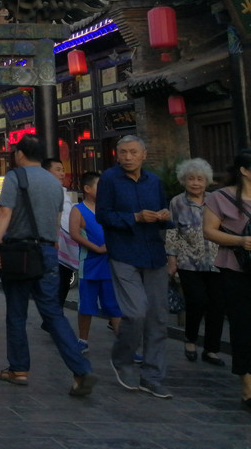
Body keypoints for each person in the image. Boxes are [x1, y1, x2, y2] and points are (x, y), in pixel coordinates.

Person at [0, 134, 96, 397]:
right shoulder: (54, 183)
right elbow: (58, 217)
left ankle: (19, 369)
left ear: (20, 154)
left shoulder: (15, 177)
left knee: (16, 311)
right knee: (52, 312)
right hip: (47, 251)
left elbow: (5, 212)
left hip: (18, 251)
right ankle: (80, 369)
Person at [95, 135, 173, 398]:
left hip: (154, 253)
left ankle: (152, 375)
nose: (128, 157)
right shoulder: (109, 179)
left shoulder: (155, 182)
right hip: (124, 253)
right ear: (117, 155)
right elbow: (102, 215)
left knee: (158, 318)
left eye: (133, 152)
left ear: (144, 155)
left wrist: (163, 216)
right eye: (123, 152)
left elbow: (165, 216)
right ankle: (123, 359)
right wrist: (134, 218)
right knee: (136, 312)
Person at [203, 149, 251, 414]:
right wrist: (241, 241)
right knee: (244, 327)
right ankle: (247, 388)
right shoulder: (221, 197)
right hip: (236, 271)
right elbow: (209, 231)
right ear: (244, 170)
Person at [166, 158, 225, 365]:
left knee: (217, 306)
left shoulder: (216, 200)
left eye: (200, 179)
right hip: (188, 261)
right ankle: (190, 339)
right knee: (197, 302)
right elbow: (172, 232)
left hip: (217, 261)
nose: (195, 183)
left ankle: (211, 349)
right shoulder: (177, 202)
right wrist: (171, 259)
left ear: (207, 181)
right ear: (184, 180)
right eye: (191, 178)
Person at [68, 171, 121, 352]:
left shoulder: (109, 208)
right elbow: (74, 233)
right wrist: (96, 248)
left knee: (113, 305)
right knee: (86, 305)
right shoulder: (79, 209)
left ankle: (124, 344)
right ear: (87, 189)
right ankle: (83, 339)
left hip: (109, 263)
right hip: (89, 263)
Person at [43, 157, 78, 307]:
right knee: (59, 281)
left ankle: (52, 316)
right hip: (55, 243)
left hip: (65, 242)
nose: (62, 173)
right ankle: (53, 317)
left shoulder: (63, 192)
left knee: (63, 280)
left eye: (63, 170)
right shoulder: (47, 192)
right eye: (58, 170)